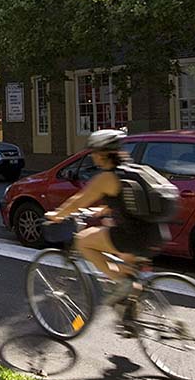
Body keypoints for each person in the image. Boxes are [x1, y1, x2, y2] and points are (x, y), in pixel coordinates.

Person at [45, 129, 164, 304]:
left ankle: (124, 286)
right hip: (156, 233)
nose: (92, 157)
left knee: (83, 241)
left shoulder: (107, 178)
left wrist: (58, 215)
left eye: (93, 153)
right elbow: (130, 203)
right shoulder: (135, 171)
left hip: (132, 237)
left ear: (101, 154)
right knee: (128, 271)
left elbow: (77, 201)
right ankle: (132, 320)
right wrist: (103, 210)